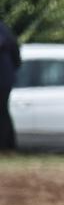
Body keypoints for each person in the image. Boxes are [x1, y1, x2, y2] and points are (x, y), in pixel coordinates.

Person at [0, 20, 20, 151]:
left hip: (3, 78)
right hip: (6, 78)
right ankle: (8, 145)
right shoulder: (4, 30)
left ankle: (6, 145)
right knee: (3, 111)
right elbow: (16, 55)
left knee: (2, 111)